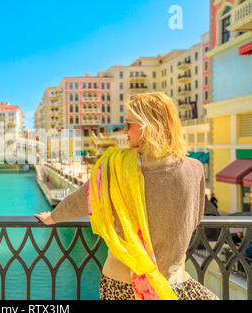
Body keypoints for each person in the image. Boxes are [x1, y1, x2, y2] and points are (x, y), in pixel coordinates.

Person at [35, 92, 219, 300]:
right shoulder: (195, 168)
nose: (123, 130)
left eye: (128, 124)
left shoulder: (116, 167)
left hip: (122, 286)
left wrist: (53, 217)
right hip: (170, 283)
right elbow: (195, 218)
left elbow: (83, 199)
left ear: (148, 125)